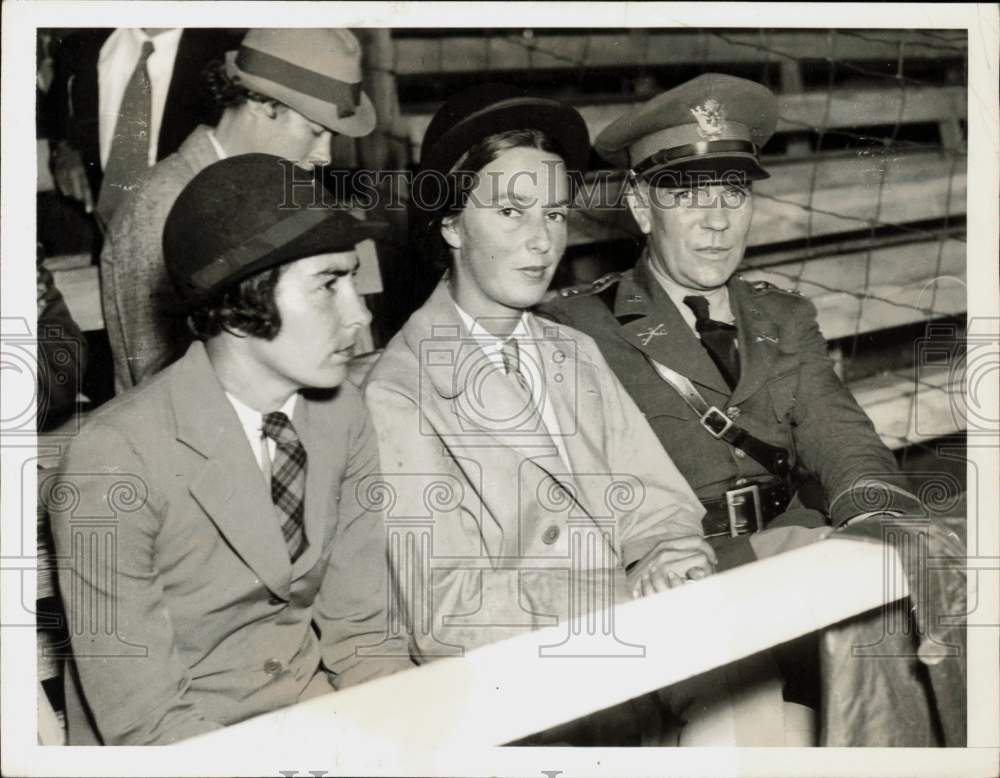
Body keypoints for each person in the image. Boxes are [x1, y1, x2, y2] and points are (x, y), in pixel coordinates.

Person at [364, 84, 803, 746]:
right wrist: (625, 595)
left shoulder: (572, 351)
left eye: (554, 214)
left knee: (756, 690)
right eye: (511, 212)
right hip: (523, 694)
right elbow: (444, 612)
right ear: (450, 223)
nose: (542, 243)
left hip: (636, 649)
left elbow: (658, 505)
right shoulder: (398, 390)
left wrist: (672, 556)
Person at [538, 73, 921, 710]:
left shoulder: (783, 317)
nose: (717, 220)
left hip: (803, 551)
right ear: (640, 207)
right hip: (685, 583)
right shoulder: (580, 329)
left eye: (733, 191)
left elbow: (839, 432)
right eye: (688, 195)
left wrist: (874, 509)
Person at [48, 154, 410, 746]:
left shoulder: (340, 414)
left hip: (312, 721)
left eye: (354, 279)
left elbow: (363, 635)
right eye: (328, 285)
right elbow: (146, 726)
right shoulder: (113, 460)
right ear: (242, 306)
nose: (361, 311)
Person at [100, 28, 377, 393]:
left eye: (332, 137)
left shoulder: (288, 190)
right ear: (261, 103)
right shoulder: (161, 205)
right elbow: (160, 385)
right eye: (314, 130)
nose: (324, 155)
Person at [45, 28, 236, 223]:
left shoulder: (229, 55)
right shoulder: (78, 48)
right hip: (101, 237)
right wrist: (65, 153)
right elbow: (60, 128)